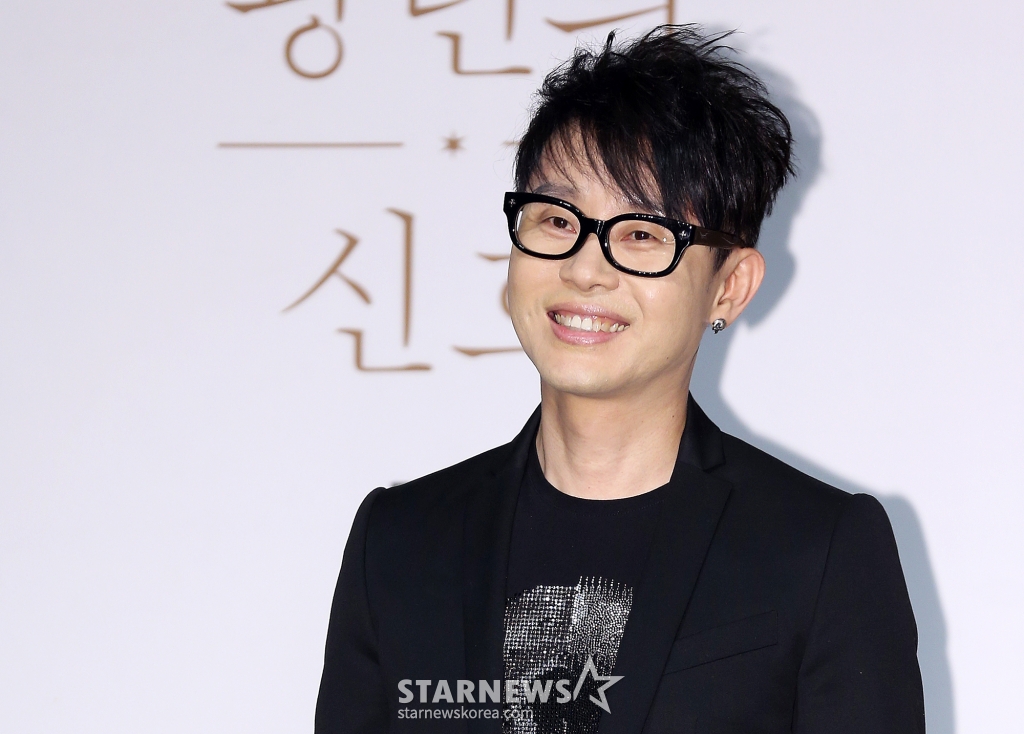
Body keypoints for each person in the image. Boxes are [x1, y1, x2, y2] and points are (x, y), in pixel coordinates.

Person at [315, 25, 925, 734]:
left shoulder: (818, 550)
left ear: (729, 286)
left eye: (641, 233)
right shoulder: (398, 541)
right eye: (557, 219)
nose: (584, 269)